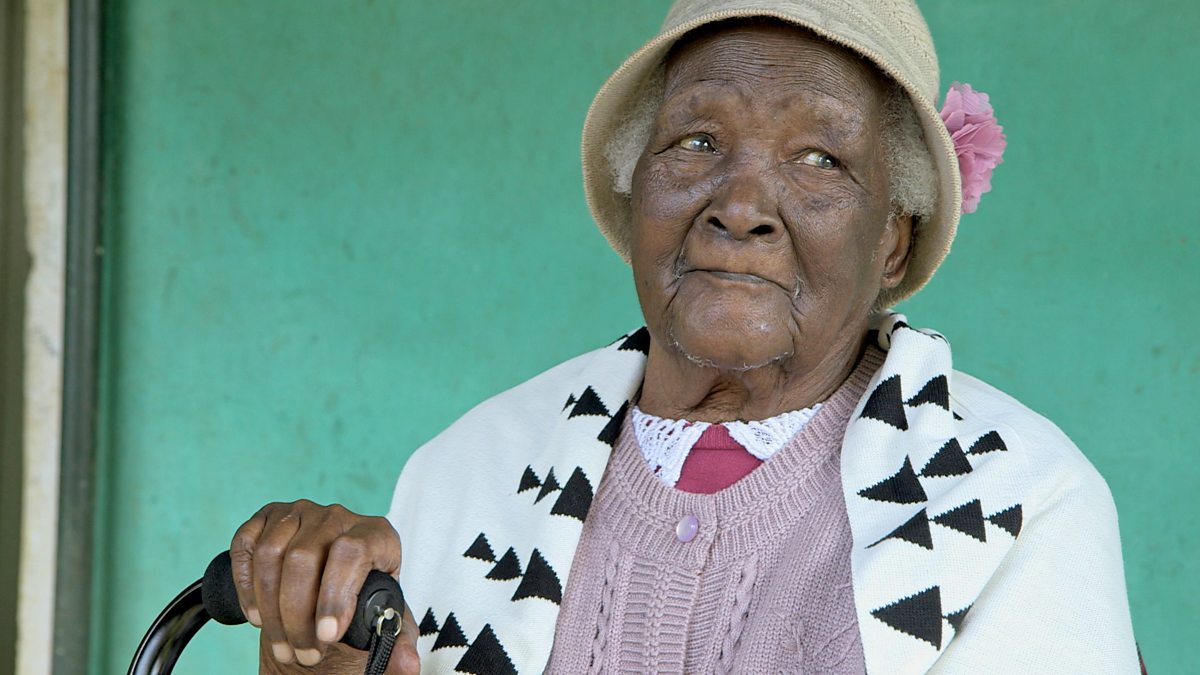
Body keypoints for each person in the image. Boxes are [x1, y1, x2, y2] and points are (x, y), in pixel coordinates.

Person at [231, 0, 1139, 672]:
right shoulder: (470, 474)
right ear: (638, 194)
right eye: (697, 142)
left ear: (893, 239)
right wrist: (312, 651)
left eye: (820, 159)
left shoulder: (1018, 501)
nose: (740, 205)